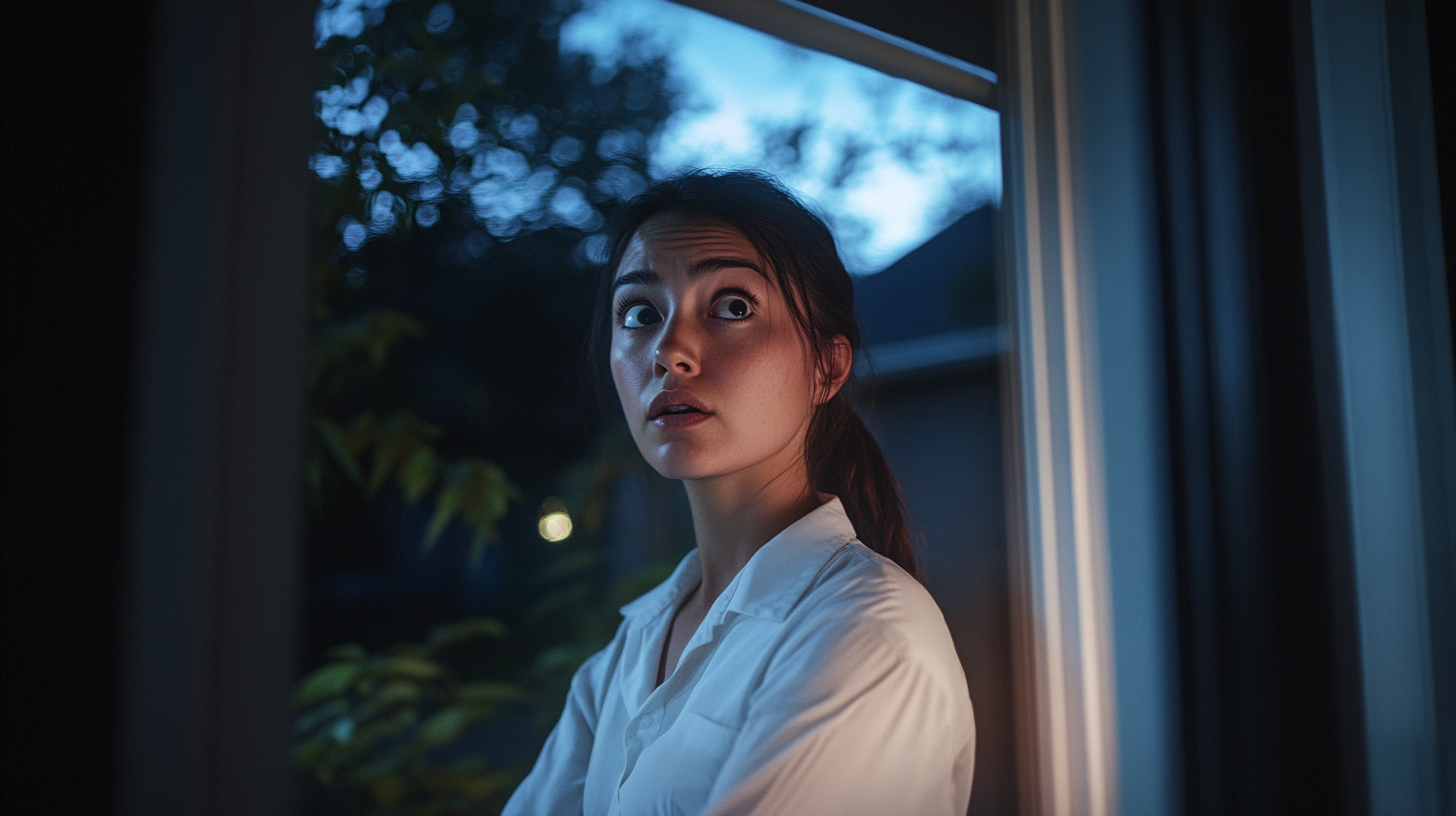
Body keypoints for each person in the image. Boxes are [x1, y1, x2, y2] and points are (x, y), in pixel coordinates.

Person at [503, 170, 974, 816]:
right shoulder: (626, 656)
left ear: (827, 367)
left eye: (733, 306)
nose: (670, 352)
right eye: (640, 313)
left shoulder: (865, 636)